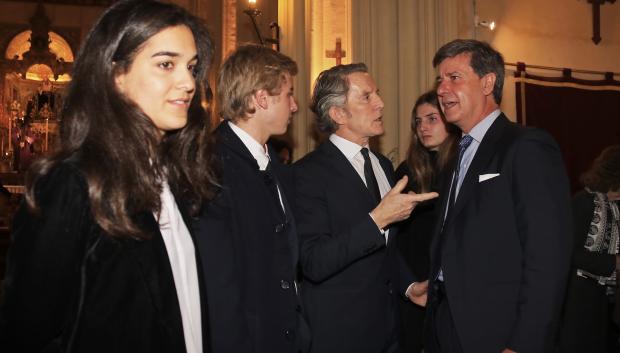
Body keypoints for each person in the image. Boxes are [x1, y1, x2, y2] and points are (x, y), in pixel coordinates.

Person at [0, 1, 217, 352]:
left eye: (192, 67)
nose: (188, 82)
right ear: (116, 75)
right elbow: (28, 332)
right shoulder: (72, 183)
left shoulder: (175, 178)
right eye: (166, 64)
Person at [424, 39, 572, 353]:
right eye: (440, 80)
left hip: (499, 332)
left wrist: (523, 343)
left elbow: (548, 254)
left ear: (488, 82)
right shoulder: (455, 157)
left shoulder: (525, 146)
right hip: (448, 325)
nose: (442, 89)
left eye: (454, 78)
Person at [293, 63, 437, 353]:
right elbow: (314, 262)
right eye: (367, 96)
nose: (380, 103)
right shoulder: (307, 174)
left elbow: (385, 250)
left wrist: (408, 286)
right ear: (338, 114)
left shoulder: (383, 165)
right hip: (340, 335)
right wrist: (376, 220)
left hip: (389, 330)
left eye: (378, 94)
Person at [193, 44, 310, 353]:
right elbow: (217, 283)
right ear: (261, 99)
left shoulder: (272, 163)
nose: (295, 106)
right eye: (288, 94)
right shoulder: (212, 163)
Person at [394, 90, 458, 353]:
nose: (423, 127)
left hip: (451, 284)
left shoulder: (462, 167)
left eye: (432, 118)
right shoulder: (406, 171)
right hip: (411, 283)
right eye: (418, 122)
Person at [560, 145, 620, 353]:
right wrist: (614, 262)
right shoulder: (582, 203)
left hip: (609, 299)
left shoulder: (616, 206)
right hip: (582, 298)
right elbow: (569, 252)